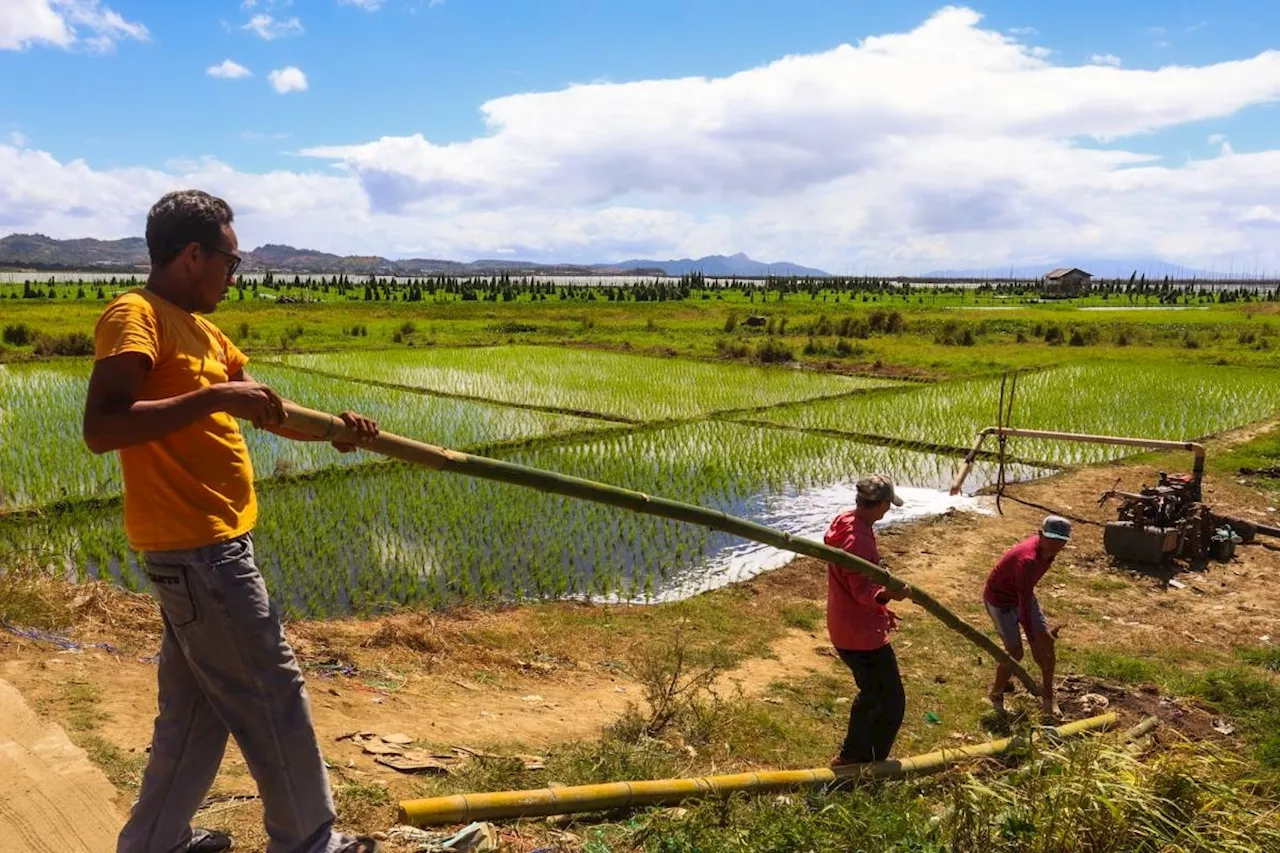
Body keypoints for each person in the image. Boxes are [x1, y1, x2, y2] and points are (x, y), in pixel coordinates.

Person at [83, 190, 382, 853]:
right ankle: (309, 842)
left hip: (205, 553)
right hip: (202, 553)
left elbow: (268, 408)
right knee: (272, 694)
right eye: (231, 260)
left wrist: (339, 430)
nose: (234, 273)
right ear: (194, 254)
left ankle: (154, 842)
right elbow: (102, 427)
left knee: (195, 713)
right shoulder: (136, 315)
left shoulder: (207, 330)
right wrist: (214, 394)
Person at [824, 474, 911, 767]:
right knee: (890, 702)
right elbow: (863, 592)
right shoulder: (857, 538)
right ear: (882, 504)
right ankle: (860, 760)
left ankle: (857, 758)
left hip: (847, 624)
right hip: (859, 633)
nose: (888, 511)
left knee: (874, 693)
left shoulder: (848, 521)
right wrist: (889, 594)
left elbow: (862, 572)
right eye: (888, 505)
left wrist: (880, 569)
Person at [983, 515, 1072, 719]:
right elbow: (1022, 603)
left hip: (1024, 593)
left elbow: (1026, 595)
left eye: (1061, 541)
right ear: (1040, 535)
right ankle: (996, 695)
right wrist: (1032, 638)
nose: (1056, 545)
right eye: (1052, 539)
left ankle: (1049, 696)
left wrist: (1040, 639)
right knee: (1015, 653)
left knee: (1047, 644)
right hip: (1001, 601)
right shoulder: (1028, 560)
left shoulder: (1049, 552)